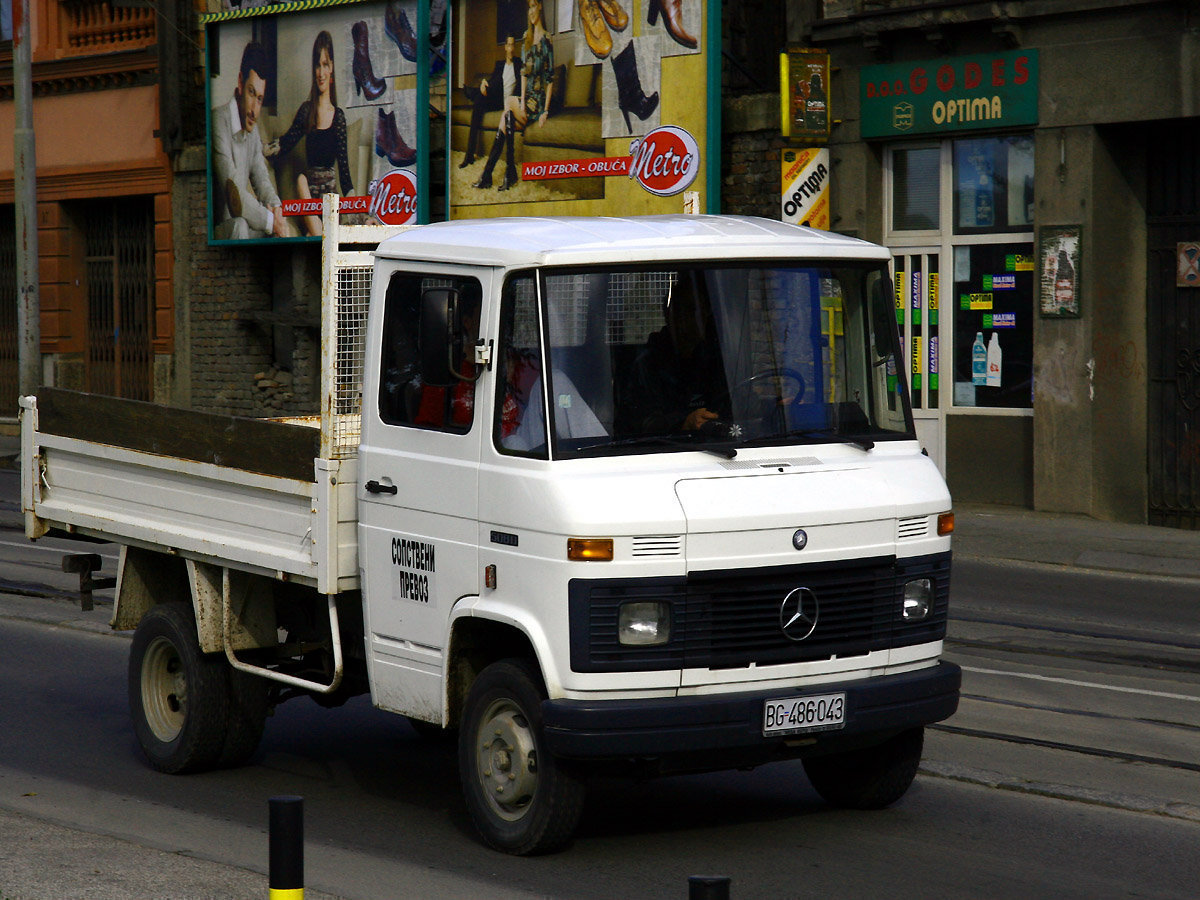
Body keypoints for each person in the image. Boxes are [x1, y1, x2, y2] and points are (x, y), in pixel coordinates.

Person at [265, 31, 353, 237]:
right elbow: (285, 143)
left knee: (324, 220)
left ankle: (319, 236)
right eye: (317, 65)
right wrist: (259, 149)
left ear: (331, 68)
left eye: (325, 64)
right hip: (309, 200)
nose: (320, 72)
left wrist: (359, 214)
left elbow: (345, 174)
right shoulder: (307, 110)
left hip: (330, 203)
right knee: (301, 179)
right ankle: (321, 237)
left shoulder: (338, 117)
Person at [621, 274, 728, 435]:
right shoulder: (648, 364)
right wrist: (684, 423)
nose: (688, 319)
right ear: (669, 315)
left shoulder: (718, 358)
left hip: (723, 446)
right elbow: (639, 422)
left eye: (696, 310)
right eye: (681, 311)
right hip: (666, 451)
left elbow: (736, 403)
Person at [475, 0, 554, 192]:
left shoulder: (546, 39)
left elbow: (550, 79)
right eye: (529, 8)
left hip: (539, 100)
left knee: (508, 105)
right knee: (506, 115)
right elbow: (524, 74)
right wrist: (523, 101)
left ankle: (498, 172)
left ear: (540, 8)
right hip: (526, 100)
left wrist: (545, 111)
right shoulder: (526, 38)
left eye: (534, 6)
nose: (531, 11)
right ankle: (500, 173)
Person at [212, 41, 287, 240]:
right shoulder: (218, 121)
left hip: (244, 224)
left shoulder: (251, 131)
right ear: (240, 83)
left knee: (273, 233)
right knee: (240, 226)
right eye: (251, 92)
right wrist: (272, 222)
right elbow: (234, 195)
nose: (254, 109)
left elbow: (262, 180)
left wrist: (277, 209)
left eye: (260, 99)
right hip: (221, 229)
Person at [460, 34, 522, 169]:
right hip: (496, 99)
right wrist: (483, 82)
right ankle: (469, 155)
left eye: (513, 45)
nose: (511, 48)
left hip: (508, 103)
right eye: (509, 45)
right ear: (505, 47)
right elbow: (492, 80)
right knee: (479, 102)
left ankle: (472, 92)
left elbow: (524, 80)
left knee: (477, 98)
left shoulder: (519, 64)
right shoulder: (499, 65)